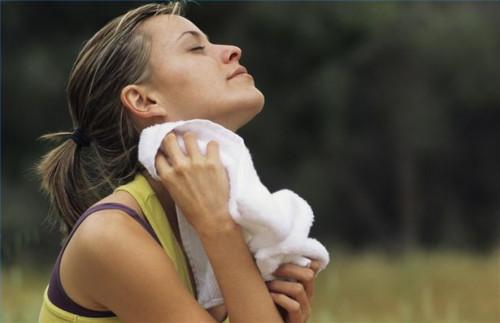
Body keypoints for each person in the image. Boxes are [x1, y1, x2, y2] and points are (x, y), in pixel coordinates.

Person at [37, 2, 321, 322]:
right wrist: (220, 229)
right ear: (143, 100)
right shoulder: (109, 236)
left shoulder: (221, 210)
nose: (232, 50)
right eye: (196, 48)